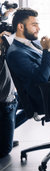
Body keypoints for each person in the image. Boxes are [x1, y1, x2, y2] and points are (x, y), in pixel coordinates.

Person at [0, 30, 27, 158]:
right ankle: (5, 135)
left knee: (33, 103)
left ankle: (5, 132)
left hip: (13, 98)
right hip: (4, 105)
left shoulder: (11, 50)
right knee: (5, 150)